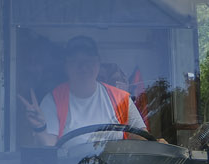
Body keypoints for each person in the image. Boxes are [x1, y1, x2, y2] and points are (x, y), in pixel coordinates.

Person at [19, 35, 148, 146]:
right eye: (76, 61)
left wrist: (153, 143)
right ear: (66, 66)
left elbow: (141, 138)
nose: (83, 67)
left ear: (98, 64)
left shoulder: (121, 99)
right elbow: (50, 145)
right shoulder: (53, 99)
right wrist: (40, 128)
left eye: (89, 61)